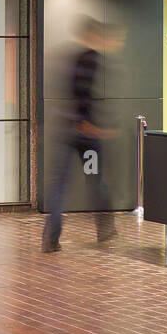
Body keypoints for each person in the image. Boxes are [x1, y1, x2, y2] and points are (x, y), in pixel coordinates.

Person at [42, 17, 122, 253]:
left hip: (66, 132)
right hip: (84, 135)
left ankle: (51, 238)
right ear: (95, 36)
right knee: (94, 179)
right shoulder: (91, 59)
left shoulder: (70, 57)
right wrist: (88, 123)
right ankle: (105, 228)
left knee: (59, 185)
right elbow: (84, 92)